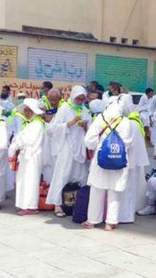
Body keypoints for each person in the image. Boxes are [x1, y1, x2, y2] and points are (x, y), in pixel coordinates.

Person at [81, 100, 133, 231]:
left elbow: (89, 140)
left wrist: (98, 146)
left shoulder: (100, 118)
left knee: (97, 190)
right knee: (114, 191)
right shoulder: (126, 122)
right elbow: (128, 142)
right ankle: (111, 222)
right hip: (119, 160)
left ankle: (92, 220)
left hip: (101, 159)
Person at [45, 85, 91, 218]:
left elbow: (91, 128)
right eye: (78, 98)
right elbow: (51, 129)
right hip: (66, 148)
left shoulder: (85, 110)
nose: (80, 101)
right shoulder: (64, 109)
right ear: (73, 96)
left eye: (83, 99)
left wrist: (86, 125)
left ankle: (76, 204)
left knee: (80, 177)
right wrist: (69, 123)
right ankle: (57, 205)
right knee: (62, 175)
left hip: (80, 148)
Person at [8, 98, 45, 216]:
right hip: (24, 156)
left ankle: (31, 206)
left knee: (30, 181)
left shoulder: (37, 124)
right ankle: (23, 204)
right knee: (22, 180)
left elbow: (28, 140)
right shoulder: (27, 124)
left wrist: (18, 142)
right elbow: (18, 137)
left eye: (29, 111)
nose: (26, 113)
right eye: (25, 110)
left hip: (32, 157)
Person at [119, 96, 150, 223]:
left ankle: (125, 215)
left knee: (128, 189)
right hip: (133, 161)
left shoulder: (130, 122)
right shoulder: (134, 120)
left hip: (130, 162)